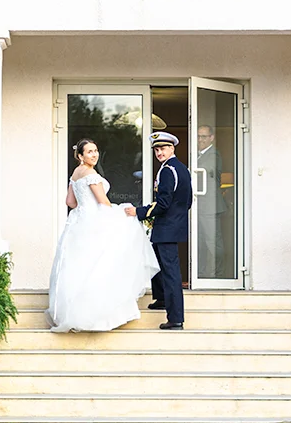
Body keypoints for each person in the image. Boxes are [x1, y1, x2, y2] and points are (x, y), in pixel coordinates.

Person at [46, 137, 159, 333]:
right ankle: (101, 314)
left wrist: (84, 206)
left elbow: (70, 202)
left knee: (80, 266)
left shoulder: (75, 173)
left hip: (78, 221)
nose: (94, 154)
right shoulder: (91, 174)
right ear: (80, 156)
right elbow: (103, 202)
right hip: (94, 221)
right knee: (101, 264)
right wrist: (121, 211)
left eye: (96, 150)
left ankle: (73, 313)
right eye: (89, 152)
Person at [125, 131, 193, 330]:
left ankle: (176, 318)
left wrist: (139, 212)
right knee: (158, 262)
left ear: (172, 148)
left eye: (163, 148)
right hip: (172, 225)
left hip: (167, 227)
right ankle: (162, 298)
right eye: (156, 149)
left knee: (171, 272)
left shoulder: (167, 170)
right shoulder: (181, 168)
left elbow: (163, 203)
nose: (159, 153)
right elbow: (187, 201)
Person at [196, 123, 225, 278]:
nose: (200, 139)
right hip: (200, 205)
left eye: (204, 136)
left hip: (210, 206)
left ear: (211, 138)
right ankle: (200, 275)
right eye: (199, 136)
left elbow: (203, 171)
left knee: (212, 242)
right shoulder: (198, 154)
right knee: (200, 242)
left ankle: (218, 277)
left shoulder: (213, 154)